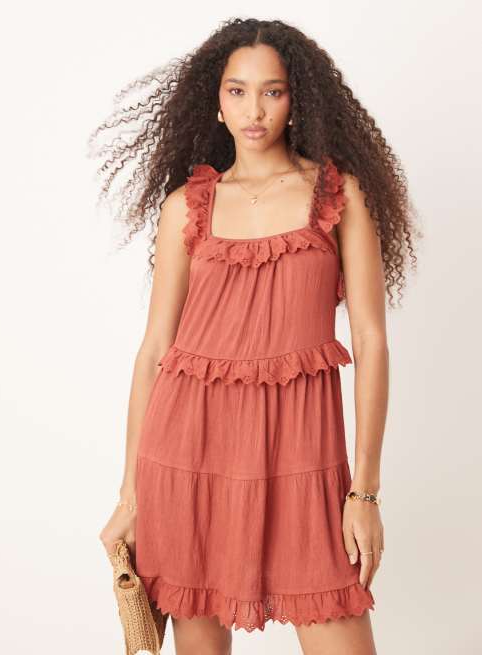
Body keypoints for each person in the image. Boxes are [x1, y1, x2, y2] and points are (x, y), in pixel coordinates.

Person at [89, 17, 419, 655]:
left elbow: (371, 340)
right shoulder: (186, 206)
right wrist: (130, 494)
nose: (254, 110)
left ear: (299, 99)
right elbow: (155, 351)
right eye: (237, 91)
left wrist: (365, 491)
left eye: (273, 91)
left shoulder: (339, 196)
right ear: (215, 101)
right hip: (188, 454)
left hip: (301, 457)